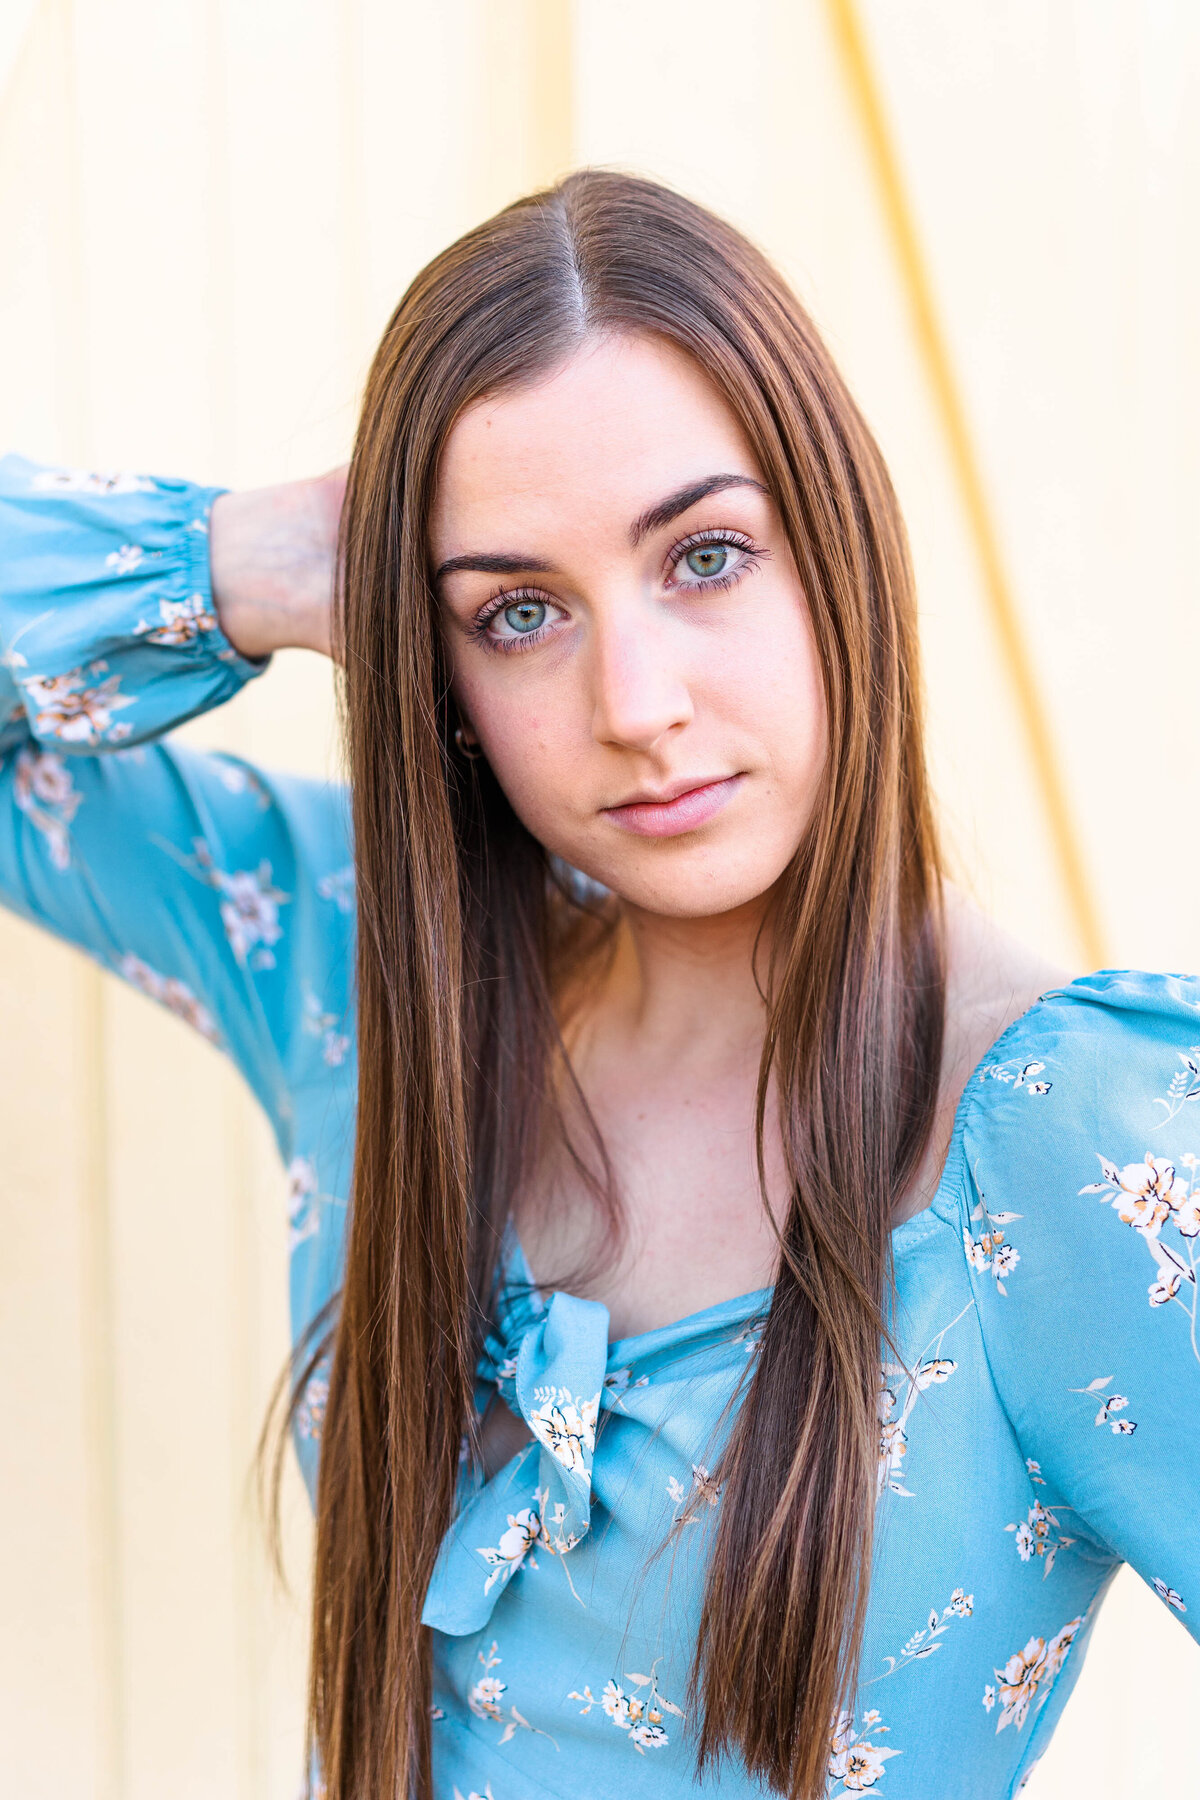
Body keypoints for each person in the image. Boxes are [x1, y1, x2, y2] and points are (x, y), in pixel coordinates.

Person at [1, 170, 1197, 1800]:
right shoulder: (367, 965)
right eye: (518, 612)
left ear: (837, 543)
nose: (635, 703)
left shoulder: (1076, 1142)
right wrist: (253, 564)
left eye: (705, 558)